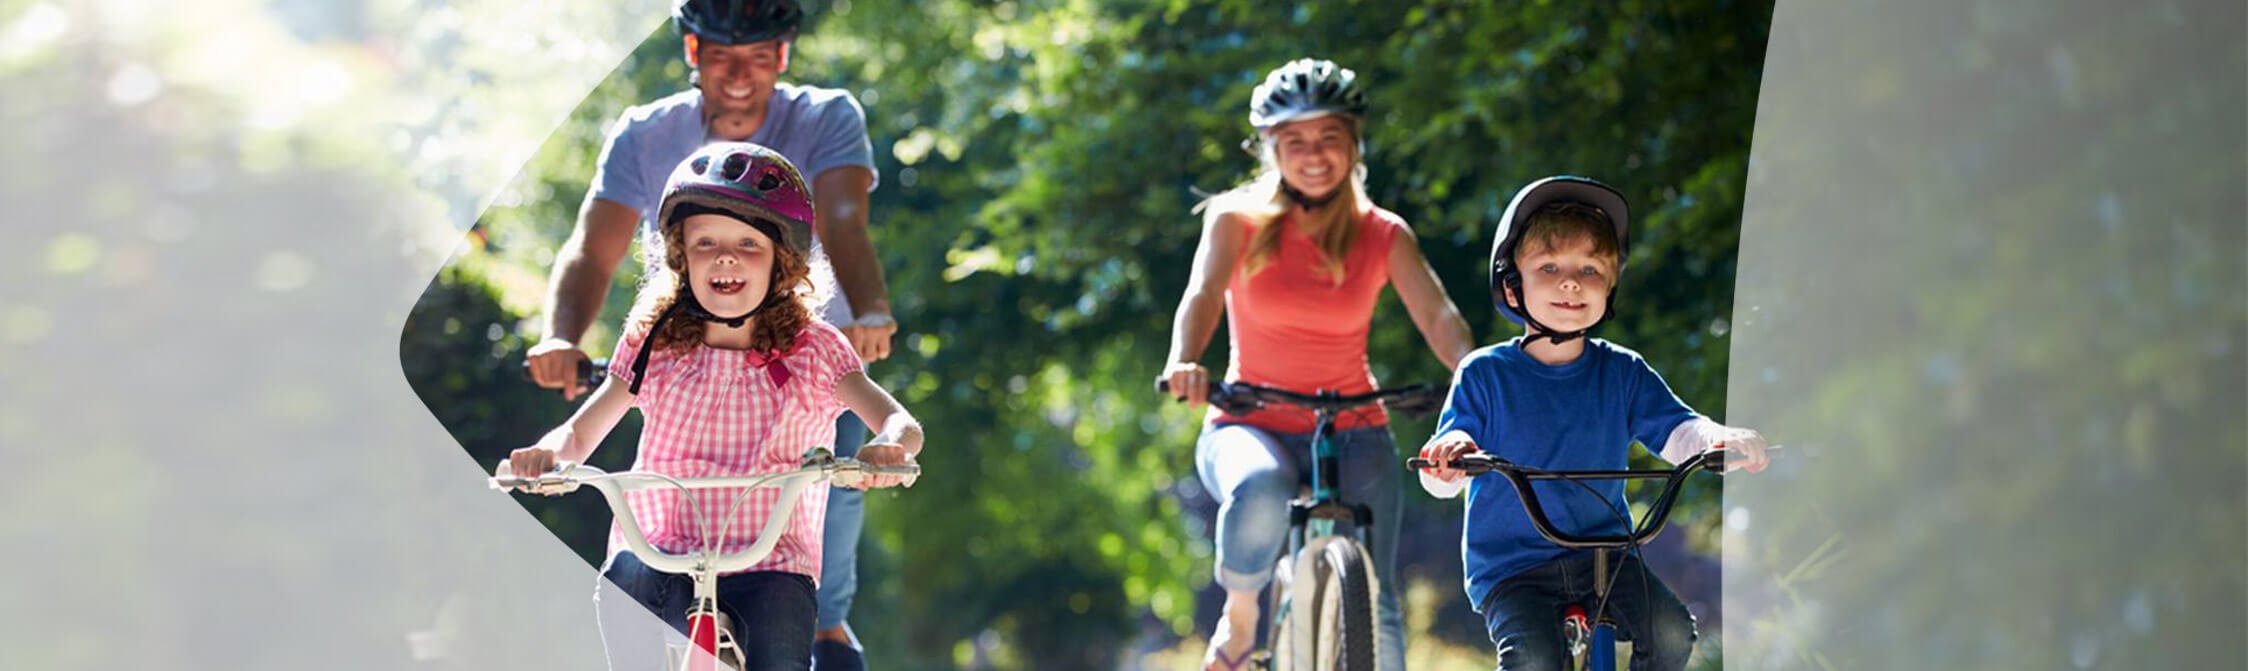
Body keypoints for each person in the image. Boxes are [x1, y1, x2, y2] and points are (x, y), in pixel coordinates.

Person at [519, 1, 894, 666]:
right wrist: (562, 337)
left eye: (759, 56)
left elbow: (843, 219)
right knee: (644, 547)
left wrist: (867, 313)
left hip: (800, 375)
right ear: (692, 51)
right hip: (688, 347)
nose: (741, 74)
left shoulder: (826, 117)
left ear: (783, 56)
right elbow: (593, 248)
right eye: (721, 53)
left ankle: (829, 636)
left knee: (823, 532)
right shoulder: (644, 132)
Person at [1159, 58, 1477, 671]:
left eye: (1330, 137)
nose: (1313, 154)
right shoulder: (1235, 220)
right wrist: (1185, 361)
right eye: (1295, 140)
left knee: (1378, 596)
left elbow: (1438, 316)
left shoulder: (1383, 233)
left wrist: (1474, 374)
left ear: (1353, 144)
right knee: (1259, 486)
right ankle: (1244, 613)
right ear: (1271, 147)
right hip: (1250, 418)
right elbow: (1200, 296)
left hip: (1354, 423)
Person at [1413, 176, 1771, 670]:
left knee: (1670, 635)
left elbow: (1680, 431)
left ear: (1610, 287)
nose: (1571, 281)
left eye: (1590, 269)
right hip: (1513, 567)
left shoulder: (1622, 372)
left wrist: (1719, 441)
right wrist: (1449, 458)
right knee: (1535, 659)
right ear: (1512, 287)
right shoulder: (1485, 373)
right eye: (1549, 267)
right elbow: (1444, 463)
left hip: (1606, 556)